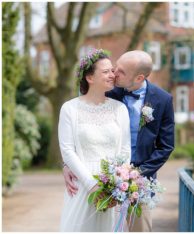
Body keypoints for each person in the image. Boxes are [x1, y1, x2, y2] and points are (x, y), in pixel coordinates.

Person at [63, 50, 175, 232]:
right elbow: (80, 130)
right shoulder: (108, 90)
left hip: (139, 184)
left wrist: (135, 175)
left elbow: (166, 146)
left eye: (121, 71)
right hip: (101, 177)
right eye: (116, 67)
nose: (114, 73)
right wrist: (66, 164)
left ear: (139, 78)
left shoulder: (162, 100)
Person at [58, 49, 131, 231]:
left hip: (112, 186)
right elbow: (67, 150)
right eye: (105, 71)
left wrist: (117, 182)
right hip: (83, 184)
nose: (112, 75)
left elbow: (125, 148)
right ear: (90, 78)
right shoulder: (70, 109)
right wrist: (91, 185)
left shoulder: (120, 109)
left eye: (112, 70)